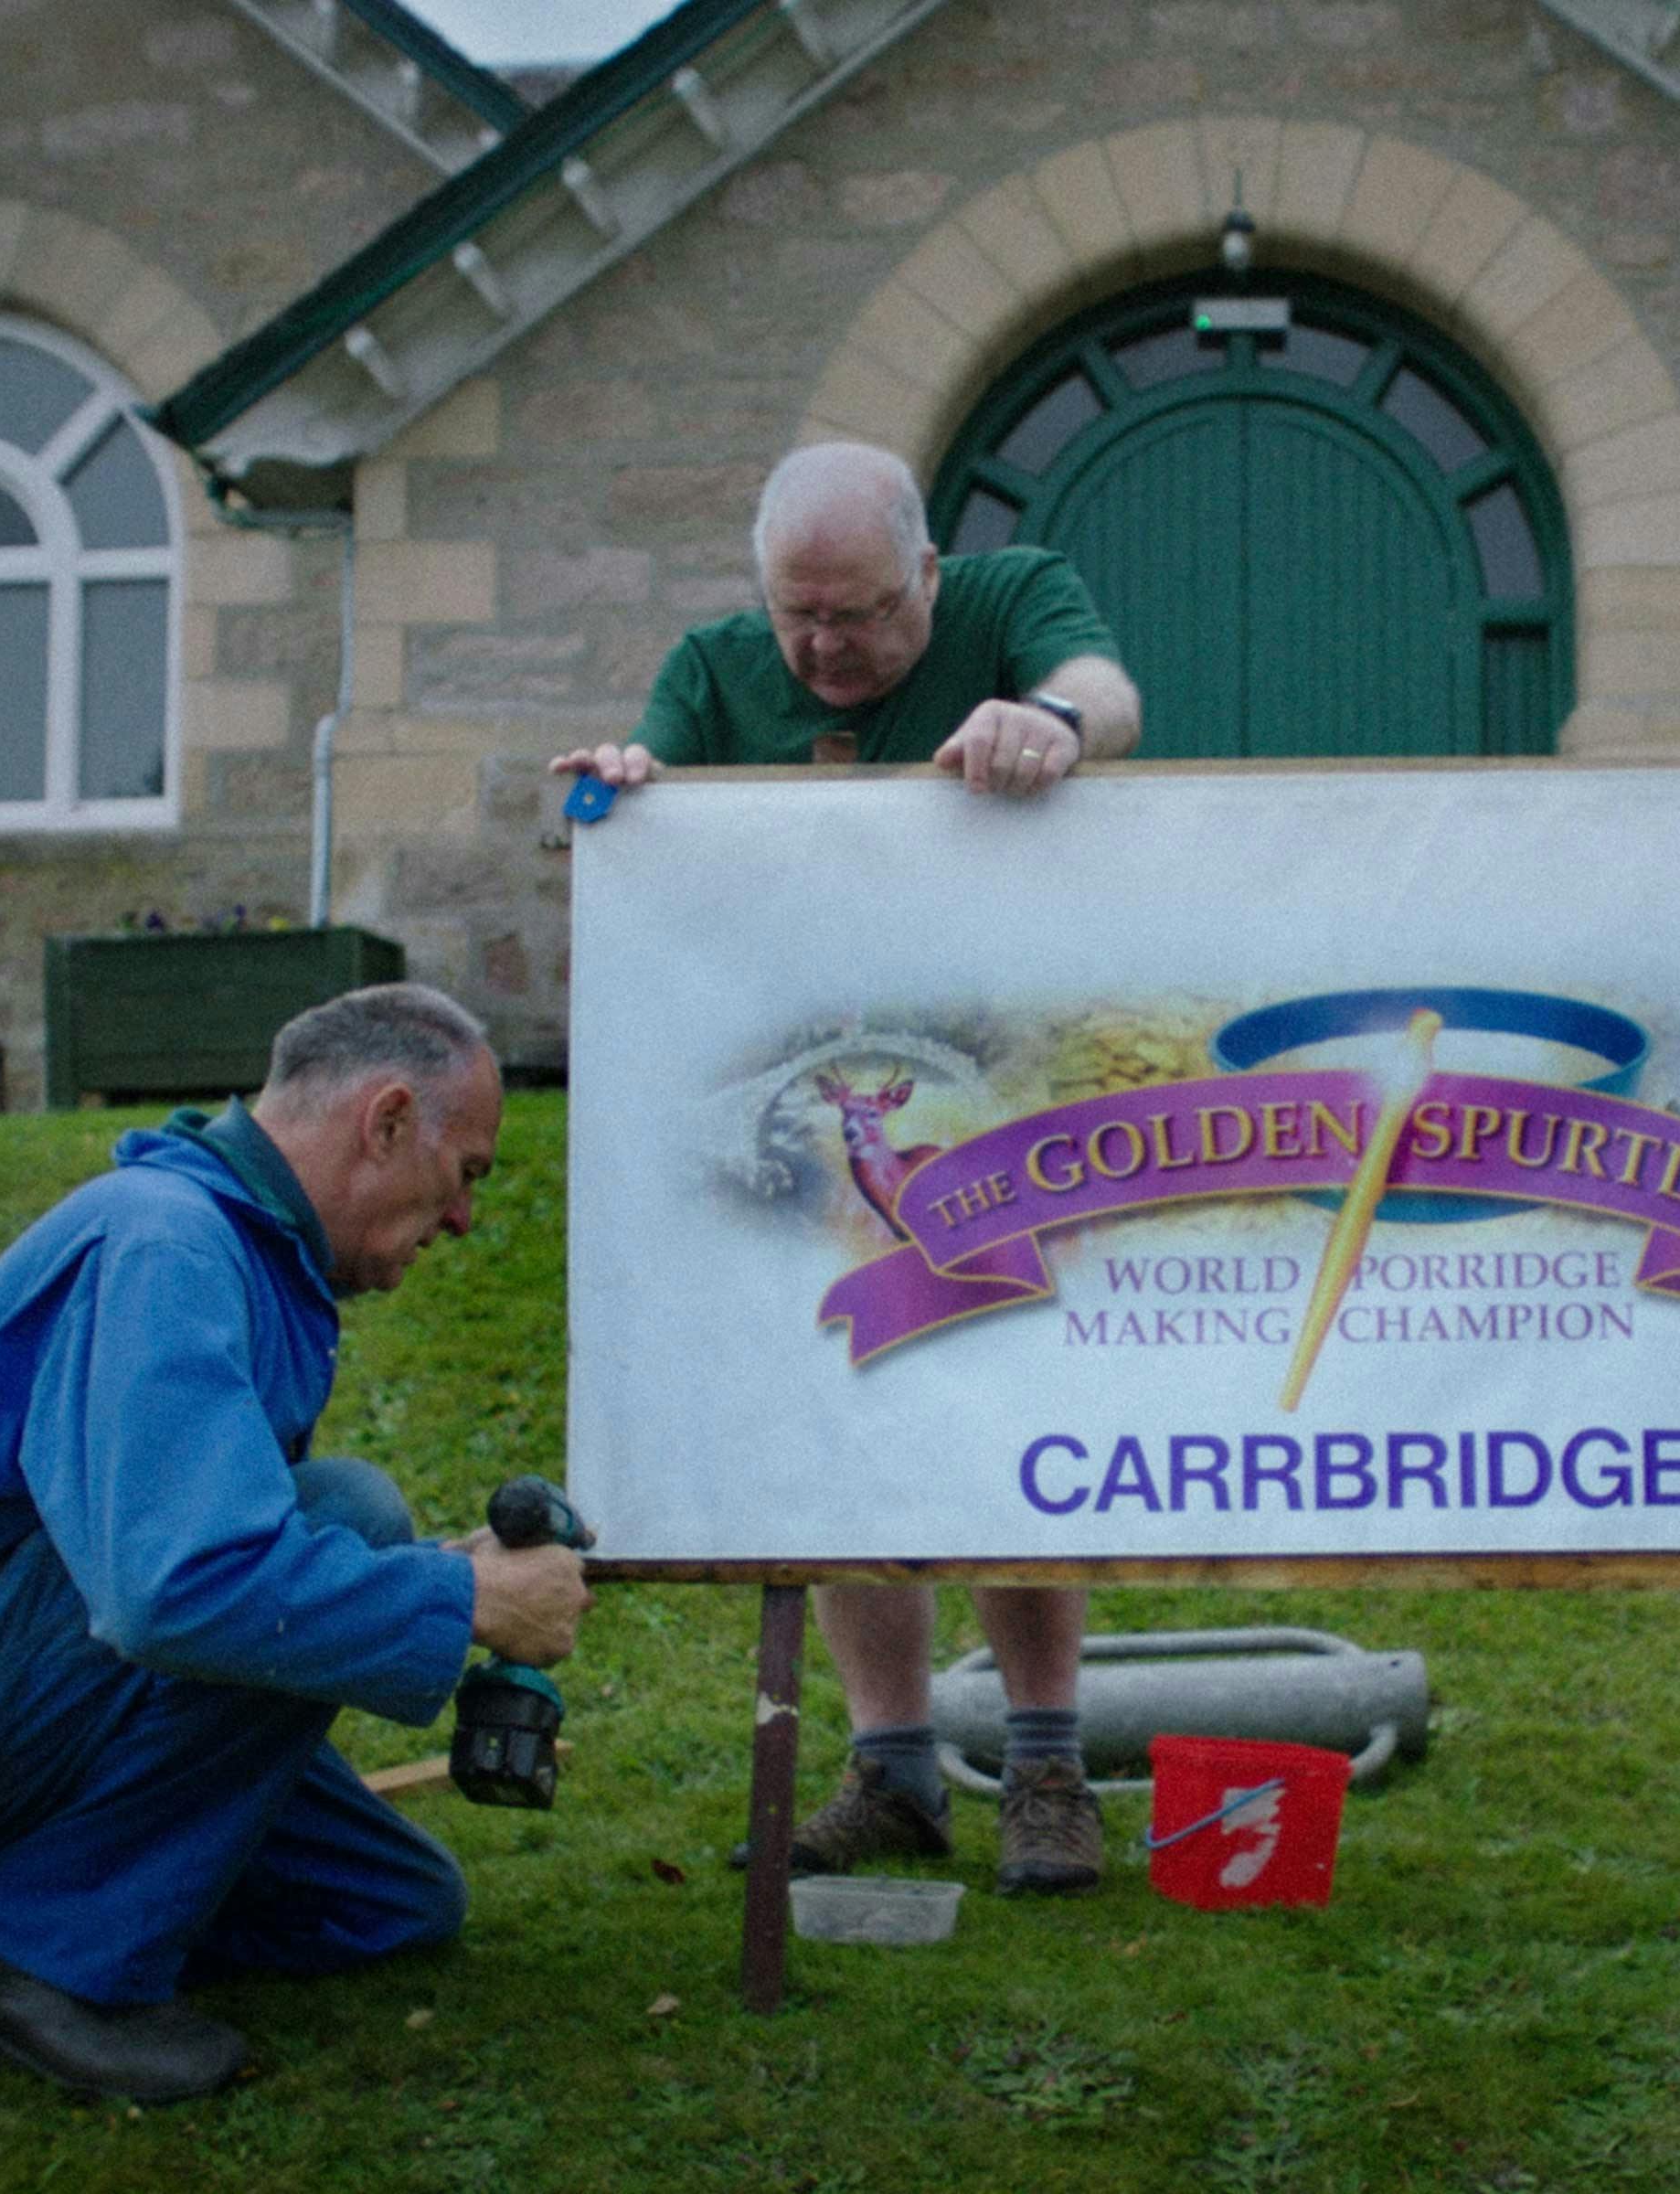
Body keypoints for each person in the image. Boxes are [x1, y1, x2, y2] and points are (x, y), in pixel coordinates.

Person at [0, 984, 590, 2105]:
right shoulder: (167, 1242)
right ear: (386, 1121)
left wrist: (427, 1585)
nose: (463, 1219)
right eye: (467, 1174)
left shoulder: (239, 1249)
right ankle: (43, 1976)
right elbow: (176, 1591)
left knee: (389, 1902)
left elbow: (185, 1557)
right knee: (344, 1517)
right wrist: (462, 1603)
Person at [554, 439, 1141, 1895]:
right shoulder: (714, 669)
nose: (822, 648)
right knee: (838, 1404)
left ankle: (1047, 1766)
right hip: (813, 1122)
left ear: (929, 575)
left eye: (862, 614)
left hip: (1007, 1097)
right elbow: (657, 818)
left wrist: (1053, 724)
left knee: (1015, 1392)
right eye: (798, 615)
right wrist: (633, 790)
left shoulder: (1014, 600)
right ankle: (892, 1773)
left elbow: (1110, 694)